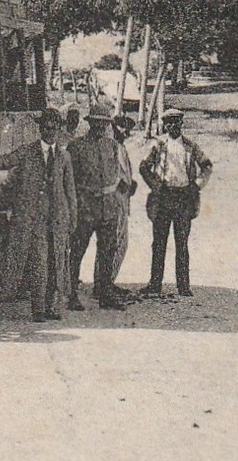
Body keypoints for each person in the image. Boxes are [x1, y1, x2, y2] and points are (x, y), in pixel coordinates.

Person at [0, 107, 77, 321]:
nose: (50, 131)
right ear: (41, 129)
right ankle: (38, 309)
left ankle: (51, 307)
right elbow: (5, 161)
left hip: (57, 219)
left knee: (57, 262)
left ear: (58, 129)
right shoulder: (28, 151)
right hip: (34, 219)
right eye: (46, 127)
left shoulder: (64, 156)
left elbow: (70, 191)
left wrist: (72, 218)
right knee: (39, 263)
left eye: (54, 128)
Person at [138, 108, 212, 297]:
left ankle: (183, 285)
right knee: (159, 242)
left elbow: (207, 165)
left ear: (181, 123)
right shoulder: (158, 145)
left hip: (184, 199)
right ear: (165, 124)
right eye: (169, 122)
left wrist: (196, 185)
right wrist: (156, 185)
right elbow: (144, 166)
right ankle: (155, 284)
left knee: (182, 242)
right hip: (163, 198)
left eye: (176, 122)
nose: (173, 125)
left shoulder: (190, 146)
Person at [67, 101, 133, 310]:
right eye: (96, 123)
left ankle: (105, 293)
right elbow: (70, 179)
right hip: (86, 207)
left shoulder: (113, 146)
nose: (100, 127)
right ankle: (71, 295)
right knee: (77, 252)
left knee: (108, 251)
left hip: (108, 207)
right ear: (90, 123)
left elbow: (117, 175)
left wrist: (123, 190)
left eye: (103, 123)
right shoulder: (76, 147)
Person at [109, 114, 137, 283]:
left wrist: (130, 183)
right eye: (123, 128)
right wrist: (121, 184)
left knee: (120, 242)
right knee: (115, 242)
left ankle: (108, 280)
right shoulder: (110, 147)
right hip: (113, 200)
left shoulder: (121, 147)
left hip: (123, 200)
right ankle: (104, 282)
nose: (126, 133)